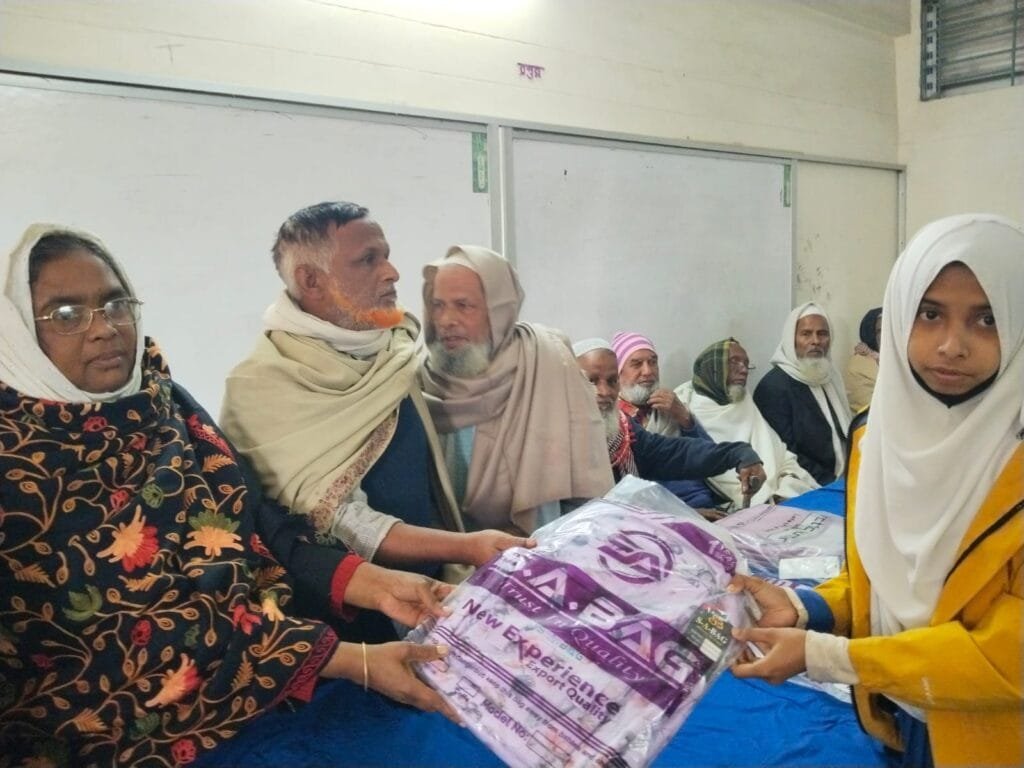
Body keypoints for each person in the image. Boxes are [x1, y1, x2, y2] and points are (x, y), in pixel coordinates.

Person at [0, 225, 459, 765]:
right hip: (122, 740)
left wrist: (377, 585)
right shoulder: (17, 465)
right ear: (20, 332)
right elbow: (124, 633)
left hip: (278, 687)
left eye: (116, 304)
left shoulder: (164, 406)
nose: (104, 328)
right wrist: (346, 660)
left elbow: (257, 523)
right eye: (66, 314)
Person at [731, 214, 1024, 767]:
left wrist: (831, 657)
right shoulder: (876, 436)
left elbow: (1010, 657)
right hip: (896, 718)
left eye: (987, 319)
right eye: (929, 314)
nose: (952, 345)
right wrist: (805, 608)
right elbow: (888, 577)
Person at [220, 203, 529, 595]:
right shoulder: (262, 386)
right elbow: (336, 521)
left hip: (434, 586)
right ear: (312, 281)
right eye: (368, 260)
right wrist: (466, 546)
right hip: (341, 609)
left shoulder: (394, 350)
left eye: (386, 255)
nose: (392, 272)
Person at [419, 246, 613, 534]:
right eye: (437, 305)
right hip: (446, 552)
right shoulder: (421, 379)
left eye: (463, 305)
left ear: (499, 311)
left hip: (546, 548)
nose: (446, 320)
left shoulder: (547, 361)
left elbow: (587, 483)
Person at [572, 339, 766, 508]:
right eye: (591, 381)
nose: (605, 392)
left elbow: (676, 453)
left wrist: (738, 453)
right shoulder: (561, 440)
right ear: (568, 383)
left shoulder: (624, 430)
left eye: (612, 381)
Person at [675, 338, 818, 509]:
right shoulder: (687, 411)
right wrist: (765, 497)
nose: (743, 370)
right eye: (734, 362)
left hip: (778, 494)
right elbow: (715, 471)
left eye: (746, 364)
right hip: (729, 505)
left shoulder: (743, 401)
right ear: (712, 368)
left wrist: (785, 488)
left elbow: (778, 454)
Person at [611, 330, 722, 508]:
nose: (648, 371)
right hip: (660, 513)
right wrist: (682, 513)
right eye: (636, 364)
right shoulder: (614, 420)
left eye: (653, 362)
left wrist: (684, 417)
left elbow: (710, 458)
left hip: (704, 503)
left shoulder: (671, 405)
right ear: (618, 373)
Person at [753, 303, 852, 485]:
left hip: (846, 474)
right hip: (807, 481)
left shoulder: (830, 376)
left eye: (822, 334)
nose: (816, 341)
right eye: (806, 334)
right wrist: (832, 483)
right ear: (791, 339)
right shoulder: (774, 386)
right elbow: (785, 451)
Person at [844, 306, 882, 412]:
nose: (887, 334)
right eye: (880, 330)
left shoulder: (904, 356)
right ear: (870, 333)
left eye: (890, 328)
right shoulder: (858, 366)